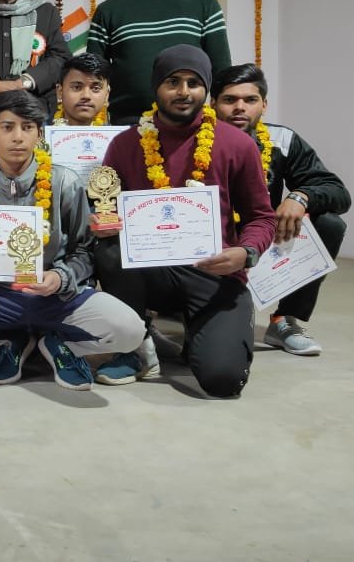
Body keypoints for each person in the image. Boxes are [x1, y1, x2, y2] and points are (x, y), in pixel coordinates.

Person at [0, 92, 145, 390]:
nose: (18, 137)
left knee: (130, 330)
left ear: (39, 134)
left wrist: (59, 278)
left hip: (56, 298)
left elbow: (85, 251)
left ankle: (59, 343)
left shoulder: (64, 182)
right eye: (7, 127)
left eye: (27, 127)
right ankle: (10, 341)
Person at [92, 46, 276, 397]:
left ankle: (211, 326)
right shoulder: (125, 144)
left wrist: (246, 253)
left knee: (221, 381)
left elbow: (261, 217)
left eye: (194, 83)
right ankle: (134, 345)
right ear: (156, 87)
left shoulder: (237, 144)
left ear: (206, 89)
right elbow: (107, 206)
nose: (183, 91)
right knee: (109, 251)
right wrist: (104, 221)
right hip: (150, 271)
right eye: (173, 82)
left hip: (215, 272)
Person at [212, 63, 350, 356]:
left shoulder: (282, 140)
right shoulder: (196, 138)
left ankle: (285, 320)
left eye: (250, 100)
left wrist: (300, 197)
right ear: (213, 103)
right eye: (229, 99)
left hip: (261, 237)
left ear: (264, 104)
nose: (240, 108)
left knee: (329, 224)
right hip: (211, 243)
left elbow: (337, 192)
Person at [88, 0, 230, 124]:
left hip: (189, 124)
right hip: (127, 123)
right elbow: (92, 76)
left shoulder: (204, 4)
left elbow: (221, 69)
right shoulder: (109, 11)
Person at [53, 52, 111, 126]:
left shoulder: (119, 134)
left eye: (96, 88)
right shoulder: (43, 133)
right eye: (77, 87)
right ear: (60, 92)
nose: (86, 96)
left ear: (106, 95)